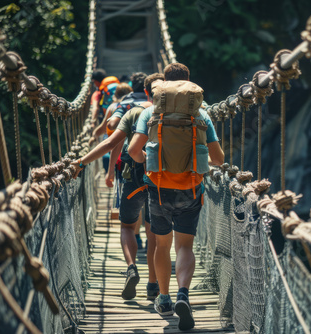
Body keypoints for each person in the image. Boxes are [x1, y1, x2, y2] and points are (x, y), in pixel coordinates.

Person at [128, 63, 224, 330]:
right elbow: (218, 159)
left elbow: (135, 151)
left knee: (161, 245)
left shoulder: (150, 111)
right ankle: (183, 293)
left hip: (158, 189)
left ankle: (164, 298)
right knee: (185, 246)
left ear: (163, 84)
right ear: (189, 85)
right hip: (191, 189)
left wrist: (149, 161)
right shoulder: (201, 113)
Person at [72, 74, 165, 300]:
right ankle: (153, 285)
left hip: (133, 177)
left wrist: (81, 162)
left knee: (126, 226)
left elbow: (110, 141)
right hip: (162, 180)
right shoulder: (173, 115)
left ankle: (131, 267)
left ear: (145, 92)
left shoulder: (133, 112)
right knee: (153, 233)